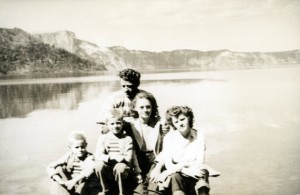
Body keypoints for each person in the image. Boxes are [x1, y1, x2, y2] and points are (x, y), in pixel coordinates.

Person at [157, 106, 220, 195]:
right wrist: (185, 170)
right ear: (173, 124)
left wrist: (183, 167)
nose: (180, 124)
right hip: (178, 173)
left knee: (202, 171)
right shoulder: (169, 138)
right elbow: (169, 165)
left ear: (189, 118)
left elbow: (199, 162)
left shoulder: (199, 135)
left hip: (195, 170)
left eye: (182, 119)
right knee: (175, 177)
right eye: (176, 122)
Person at [125, 91, 171, 195]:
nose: (145, 110)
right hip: (138, 162)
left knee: (154, 190)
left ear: (153, 107)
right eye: (141, 107)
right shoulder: (130, 123)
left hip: (156, 160)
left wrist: (167, 127)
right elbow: (110, 123)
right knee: (139, 192)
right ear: (135, 108)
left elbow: (167, 149)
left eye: (148, 107)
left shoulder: (161, 123)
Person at [94, 108, 142, 195]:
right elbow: (98, 155)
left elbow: (128, 158)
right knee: (99, 165)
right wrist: (111, 157)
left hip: (123, 169)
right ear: (107, 125)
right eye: (112, 123)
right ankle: (105, 190)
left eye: (118, 123)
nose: (115, 126)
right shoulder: (103, 137)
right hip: (109, 168)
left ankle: (121, 192)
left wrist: (137, 172)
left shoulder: (127, 139)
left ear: (122, 123)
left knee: (120, 167)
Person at [96, 68, 152, 134]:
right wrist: (117, 118)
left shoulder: (146, 98)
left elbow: (155, 116)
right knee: (106, 128)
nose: (125, 90)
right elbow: (98, 118)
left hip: (141, 128)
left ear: (137, 84)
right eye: (123, 86)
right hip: (121, 129)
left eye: (129, 86)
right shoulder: (115, 98)